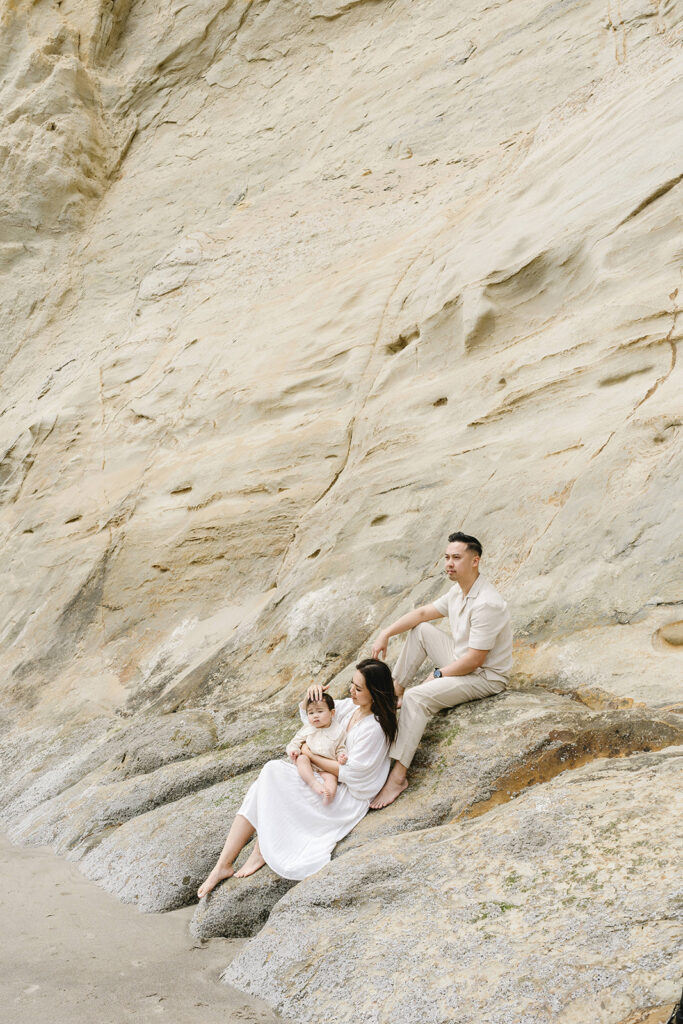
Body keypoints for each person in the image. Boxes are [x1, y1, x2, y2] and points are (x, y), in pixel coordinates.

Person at [197, 659, 397, 894]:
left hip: (344, 796)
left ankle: (256, 852)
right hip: (324, 776)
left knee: (270, 775)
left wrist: (310, 755)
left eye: (358, 689)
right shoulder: (351, 708)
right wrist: (308, 697)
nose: (351, 690)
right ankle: (225, 863)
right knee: (266, 780)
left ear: (374, 693)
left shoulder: (374, 728)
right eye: (352, 684)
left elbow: (351, 774)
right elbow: (312, 717)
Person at [369, 531, 512, 809]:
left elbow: (475, 661)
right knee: (421, 630)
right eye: (447, 557)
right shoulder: (458, 592)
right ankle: (395, 692)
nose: (449, 563)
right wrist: (386, 632)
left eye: (456, 558)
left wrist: (438, 674)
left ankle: (398, 777)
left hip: (484, 677)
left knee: (418, 697)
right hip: (460, 660)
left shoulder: (488, 603)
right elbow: (422, 615)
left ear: (475, 561)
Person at [286, 692, 348, 804]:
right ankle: (313, 783)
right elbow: (295, 742)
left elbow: (340, 747)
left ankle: (328, 795)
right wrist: (294, 751)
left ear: (332, 713)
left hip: (326, 767)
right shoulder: (307, 729)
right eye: (311, 713)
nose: (315, 715)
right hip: (310, 764)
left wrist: (341, 756)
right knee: (302, 759)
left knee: (331, 778)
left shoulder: (338, 731)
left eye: (320, 711)